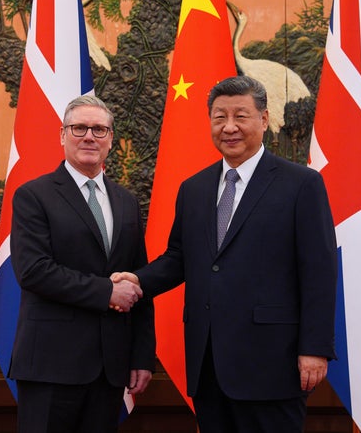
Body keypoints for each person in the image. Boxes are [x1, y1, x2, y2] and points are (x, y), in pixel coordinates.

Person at [113, 75, 337, 432]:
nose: (229, 127)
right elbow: (178, 259)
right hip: (208, 362)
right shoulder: (194, 188)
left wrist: (315, 348)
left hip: (272, 363)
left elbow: (319, 271)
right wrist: (137, 280)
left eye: (240, 116)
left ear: (263, 120)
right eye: (219, 117)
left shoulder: (301, 185)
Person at [8, 95, 156, 433]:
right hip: (50, 365)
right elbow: (33, 270)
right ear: (62, 135)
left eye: (99, 130)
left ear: (110, 140)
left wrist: (142, 356)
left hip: (109, 368)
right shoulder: (34, 195)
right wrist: (107, 292)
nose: (89, 136)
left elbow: (138, 280)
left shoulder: (126, 202)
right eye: (79, 128)